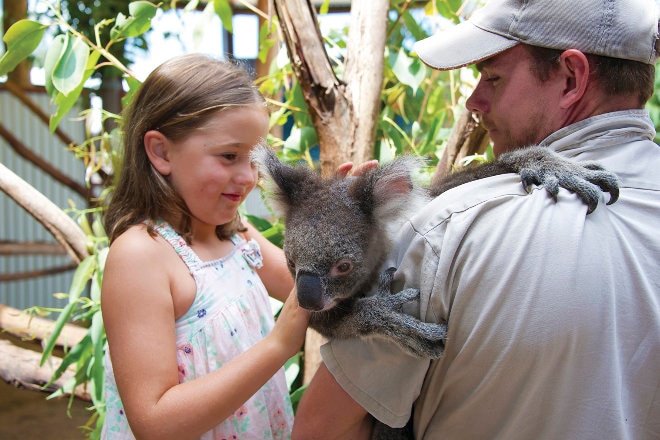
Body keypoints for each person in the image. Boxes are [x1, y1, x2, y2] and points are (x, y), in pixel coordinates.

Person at [292, 0, 660, 438]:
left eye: (493, 77)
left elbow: (320, 430)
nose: (473, 100)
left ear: (571, 78)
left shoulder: (448, 230)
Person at [100, 53, 310, 440]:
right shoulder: (142, 256)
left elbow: (308, 285)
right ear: (161, 152)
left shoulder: (235, 234)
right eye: (229, 156)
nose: (248, 177)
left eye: (254, 159)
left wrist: (343, 213)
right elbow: (154, 422)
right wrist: (279, 345)